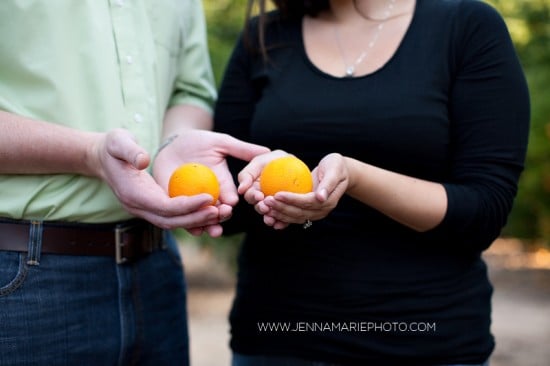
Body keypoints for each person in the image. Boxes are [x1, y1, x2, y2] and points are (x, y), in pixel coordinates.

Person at [214, 0, 530, 365]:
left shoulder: (467, 26)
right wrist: (242, 180)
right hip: (276, 341)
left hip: (424, 342)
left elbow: (483, 212)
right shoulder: (264, 35)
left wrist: (356, 177)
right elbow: (232, 207)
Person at [0, 1, 268, 365]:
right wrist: (90, 153)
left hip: (156, 271)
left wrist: (173, 146)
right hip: (22, 278)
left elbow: (189, 92)